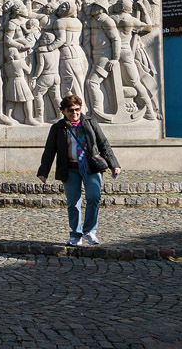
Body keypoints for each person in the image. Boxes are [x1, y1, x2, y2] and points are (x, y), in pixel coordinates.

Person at [37, 94, 121, 246]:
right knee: (73, 203)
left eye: (77, 110)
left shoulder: (89, 122)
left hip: (91, 168)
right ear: (63, 111)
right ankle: (76, 235)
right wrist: (43, 171)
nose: (74, 113)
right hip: (70, 169)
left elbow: (103, 143)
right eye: (70, 110)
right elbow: (50, 150)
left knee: (94, 197)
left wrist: (114, 164)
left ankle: (90, 231)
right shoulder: (58, 128)